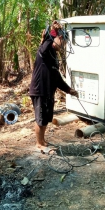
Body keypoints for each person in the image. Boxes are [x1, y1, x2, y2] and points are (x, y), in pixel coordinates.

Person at [29, 20, 79, 153]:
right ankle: (39, 144)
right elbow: (46, 43)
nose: (63, 46)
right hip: (40, 90)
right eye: (63, 42)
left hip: (48, 91)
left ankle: (42, 140)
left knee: (45, 117)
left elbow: (57, 78)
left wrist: (69, 90)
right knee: (40, 118)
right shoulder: (45, 50)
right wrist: (54, 31)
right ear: (57, 38)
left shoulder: (53, 56)